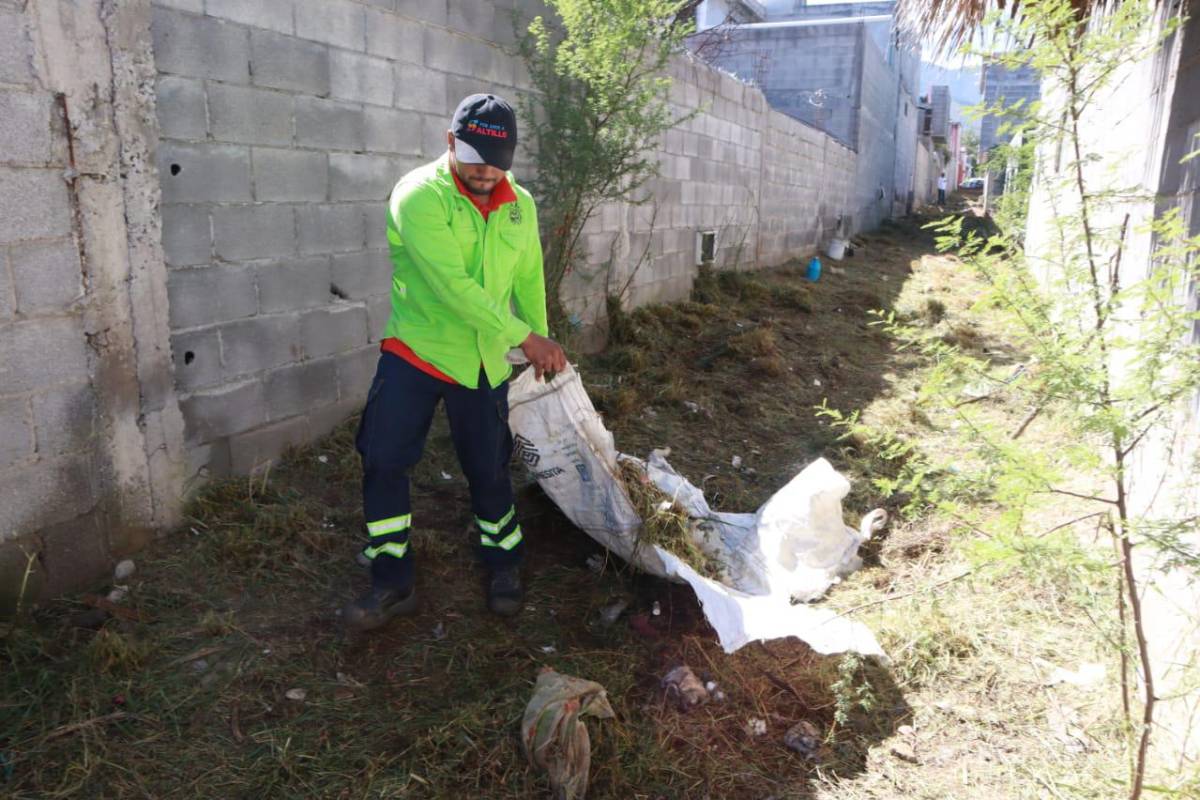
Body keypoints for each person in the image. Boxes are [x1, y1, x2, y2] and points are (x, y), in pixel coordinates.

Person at [343, 93, 567, 631]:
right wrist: (523, 337)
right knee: (385, 460)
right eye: (473, 158)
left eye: (496, 161)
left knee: (488, 468)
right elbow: (452, 286)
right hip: (417, 352)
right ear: (450, 142)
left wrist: (539, 340)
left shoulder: (520, 204)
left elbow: (528, 277)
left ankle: (503, 564)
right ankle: (392, 579)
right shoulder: (419, 196)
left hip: (484, 362)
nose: (485, 171)